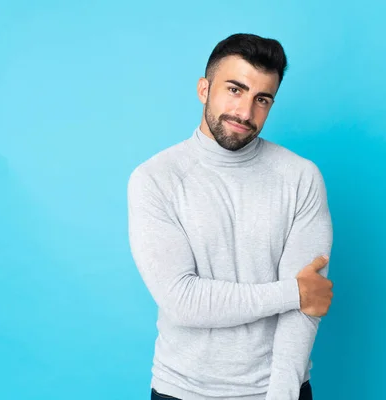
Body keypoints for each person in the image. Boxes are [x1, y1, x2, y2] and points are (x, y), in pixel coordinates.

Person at [127, 33, 334, 400]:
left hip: (281, 390)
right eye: (235, 90)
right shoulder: (155, 178)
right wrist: (293, 293)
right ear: (204, 89)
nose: (245, 112)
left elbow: (306, 309)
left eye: (262, 99)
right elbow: (181, 299)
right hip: (183, 391)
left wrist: (282, 394)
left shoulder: (300, 177)